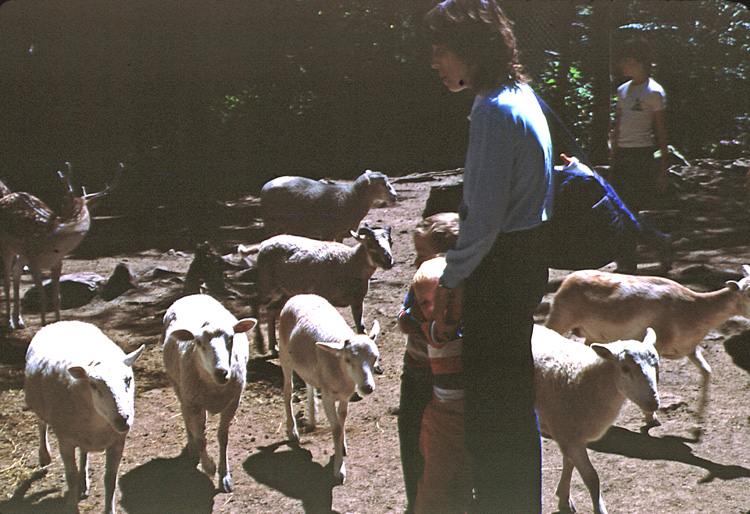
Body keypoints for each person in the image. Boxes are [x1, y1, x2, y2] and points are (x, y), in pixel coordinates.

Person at [425, 1, 554, 513]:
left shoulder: (495, 111)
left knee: (494, 414)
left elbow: (481, 216)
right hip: (524, 261)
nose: (434, 62)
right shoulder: (520, 96)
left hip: (498, 271)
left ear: (470, 50)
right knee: (513, 409)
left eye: (440, 49)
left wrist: (450, 280)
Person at [400, 257, 472, 514]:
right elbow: (406, 320)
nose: (435, 308)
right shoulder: (436, 330)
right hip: (443, 419)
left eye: (441, 298)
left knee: (463, 477)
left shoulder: (461, 323)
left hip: (462, 415)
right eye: (425, 303)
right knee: (435, 482)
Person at [608, 37, 669, 212]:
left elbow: (661, 131)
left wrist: (663, 169)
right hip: (622, 153)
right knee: (619, 202)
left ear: (640, 62)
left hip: (641, 154)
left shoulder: (654, 92)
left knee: (639, 203)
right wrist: (613, 157)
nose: (622, 65)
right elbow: (618, 124)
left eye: (627, 61)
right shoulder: (622, 90)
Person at [397, 267, 435, 514]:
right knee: (411, 437)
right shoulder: (419, 283)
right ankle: (415, 502)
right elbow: (402, 320)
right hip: (414, 371)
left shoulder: (452, 285)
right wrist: (415, 318)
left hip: (443, 376)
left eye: (424, 254)